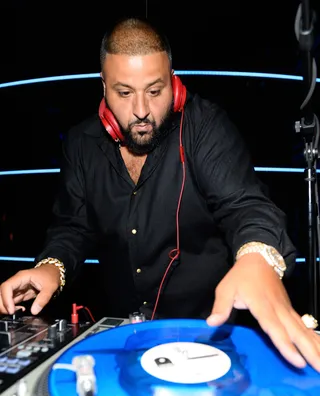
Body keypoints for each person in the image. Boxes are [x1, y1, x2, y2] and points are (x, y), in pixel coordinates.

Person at [0, 17, 319, 373]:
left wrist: (259, 258)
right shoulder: (81, 143)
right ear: (103, 85)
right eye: (124, 93)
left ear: (175, 84)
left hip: (206, 340)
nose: (141, 110)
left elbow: (245, 205)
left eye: (155, 91)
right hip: (124, 344)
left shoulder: (204, 127)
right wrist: (50, 268)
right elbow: (73, 227)